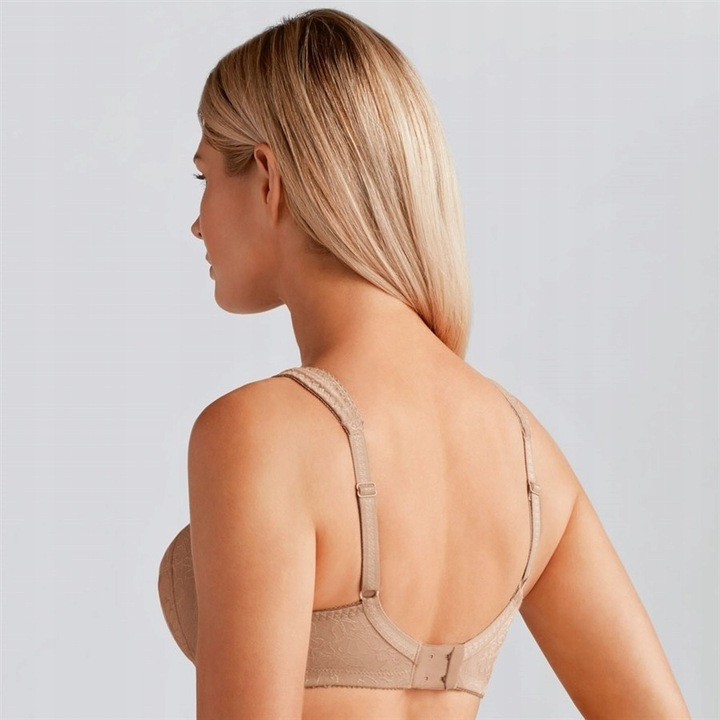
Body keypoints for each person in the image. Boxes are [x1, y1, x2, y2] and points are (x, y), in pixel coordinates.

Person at [157, 8, 690, 719]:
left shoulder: (258, 433)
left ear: (266, 177)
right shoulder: (528, 458)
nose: (197, 222)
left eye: (202, 177)